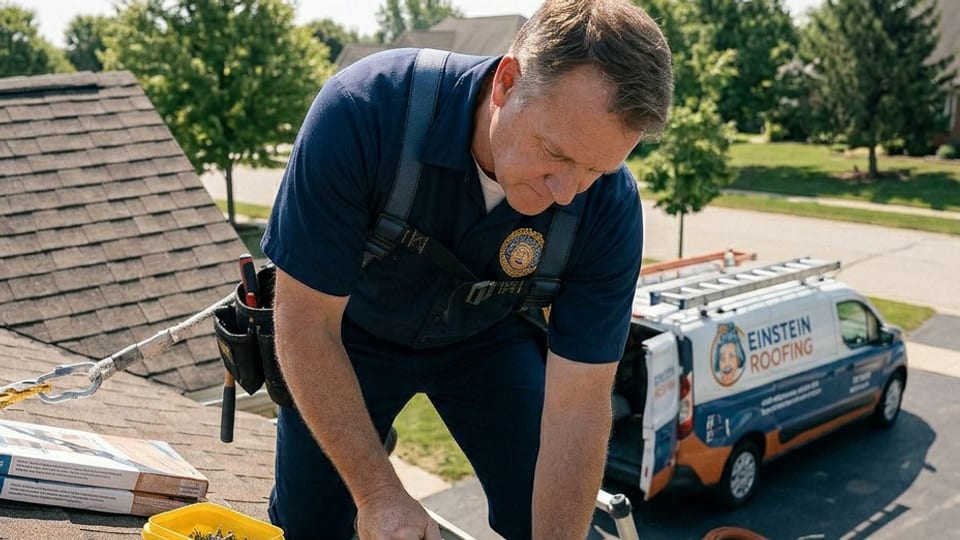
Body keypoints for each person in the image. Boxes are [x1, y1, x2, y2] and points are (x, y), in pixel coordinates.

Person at [260, 0, 673, 538]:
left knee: (551, 517)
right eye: (556, 153)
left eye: (597, 168)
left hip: (488, 339)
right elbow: (305, 323)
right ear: (506, 82)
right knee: (309, 525)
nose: (567, 191)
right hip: (348, 334)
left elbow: (578, 404)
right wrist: (379, 492)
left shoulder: (609, 207)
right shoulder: (364, 110)